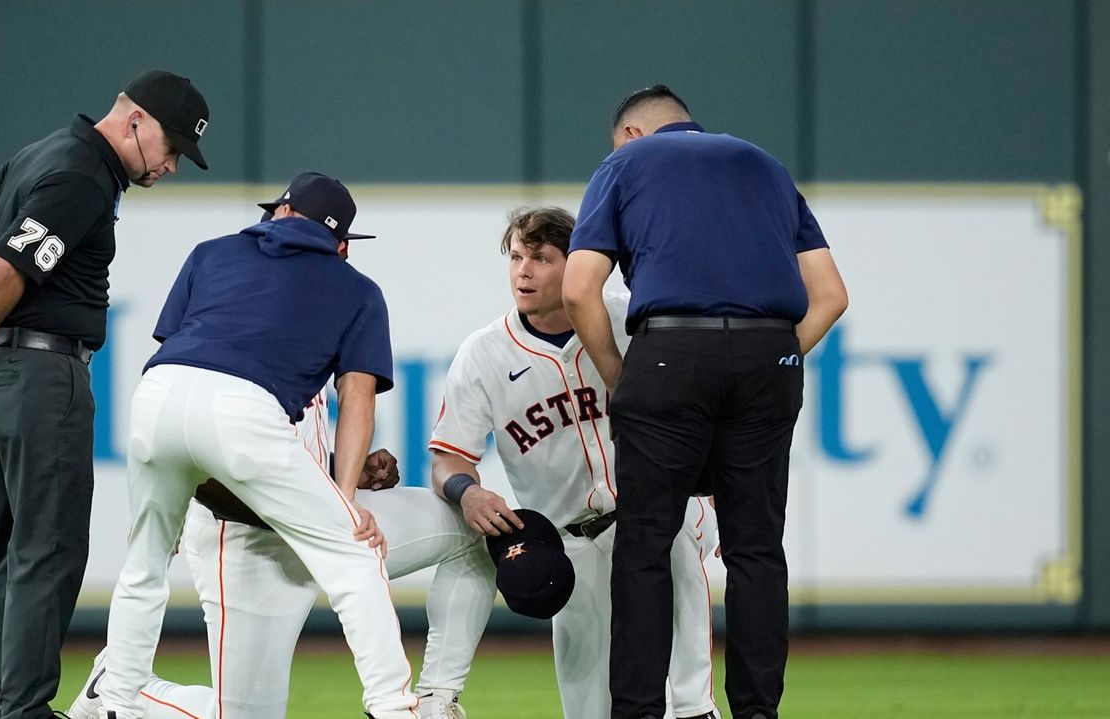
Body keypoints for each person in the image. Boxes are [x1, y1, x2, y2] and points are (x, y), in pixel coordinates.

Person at [0, 69, 209, 719]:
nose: (171, 165)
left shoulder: (47, 151)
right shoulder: (84, 175)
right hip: (36, 376)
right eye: (171, 147)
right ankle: (22, 709)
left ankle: (4, 704)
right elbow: (2, 272)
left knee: (18, 546)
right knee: (47, 551)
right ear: (134, 120)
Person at [562, 85, 849, 719]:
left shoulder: (626, 164)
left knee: (643, 544)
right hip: (770, 354)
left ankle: (636, 713)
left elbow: (580, 288)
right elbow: (831, 294)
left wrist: (619, 377)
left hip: (669, 353)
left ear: (633, 135)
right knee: (756, 551)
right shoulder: (766, 165)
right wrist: (774, 356)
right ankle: (756, 712)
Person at [98, 172, 420, 719]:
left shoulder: (211, 252)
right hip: (241, 411)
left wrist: (170, 486)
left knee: (146, 558)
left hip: (157, 395)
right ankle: (396, 708)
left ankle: (116, 694)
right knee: (354, 556)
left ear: (278, 214)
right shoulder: (357, 288)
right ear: (340, 245)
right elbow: (357, 398)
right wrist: (345, 500)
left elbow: (182, 350)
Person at [430, 207, 722, 719]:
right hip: (569, 543)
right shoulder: (483, 355)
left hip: (653, 518)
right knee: (589, 707)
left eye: (541, 258)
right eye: (517, 257)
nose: (523, 270)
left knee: (683, 685)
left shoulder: (632, 319)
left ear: (578, 266)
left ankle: (696, 709)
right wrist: (467, 491)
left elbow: (702, 404)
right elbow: (449, 457)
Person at [67, 389, 495, 719]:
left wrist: (339, 470)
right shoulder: (232, 304)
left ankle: (436, 701)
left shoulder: (332, 296)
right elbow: (195, 434)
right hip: (245, 539)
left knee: (473, 528)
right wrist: (169, 498)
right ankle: (121, 688)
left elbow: (282, 445)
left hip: (324, 515)